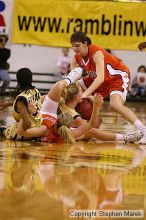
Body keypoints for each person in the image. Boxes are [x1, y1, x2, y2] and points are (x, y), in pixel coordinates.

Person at [68, 31, 146, 144]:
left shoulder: (96, 52)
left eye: (77, 45)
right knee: (74, 88)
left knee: (114, 104)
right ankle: (81, 124)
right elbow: (72, 82)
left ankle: (143, 129)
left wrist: (85, 95)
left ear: (85, 44)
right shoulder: (76, 59)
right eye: (73, 46)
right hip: (100, 79)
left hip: (117, 77)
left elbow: (100, 78)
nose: (75, 49)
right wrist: (78, 96)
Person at [17, 81, 143, 144]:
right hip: (54, 127)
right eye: (81, 91)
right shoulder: (72, 123)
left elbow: (44, 98)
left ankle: (126, 137)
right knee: (91, 131)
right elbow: (94, 124)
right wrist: (96, 107)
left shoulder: (59, 102)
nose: (83, 92)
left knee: (90, 131)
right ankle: (125, 137)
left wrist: (29, 110)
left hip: (44, 119)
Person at [16, 80, 103, 144]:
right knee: (91, 132)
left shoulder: (45, 129)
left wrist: (26, 112)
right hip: (49, 148)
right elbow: (92, 124)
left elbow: (20, 132)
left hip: (26, 132)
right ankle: (117, 137)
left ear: (56, 119)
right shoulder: (69, 134)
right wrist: (96, 106)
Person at [0, 67, 42, 140]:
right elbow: (25, 103)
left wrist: (18, 128)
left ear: (18, 80)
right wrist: (9, 104)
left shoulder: (21, 99)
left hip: (26, 133)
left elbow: (27, 124)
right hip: (39, 128)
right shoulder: (36, 91)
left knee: (2, 130)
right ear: (31, 78)